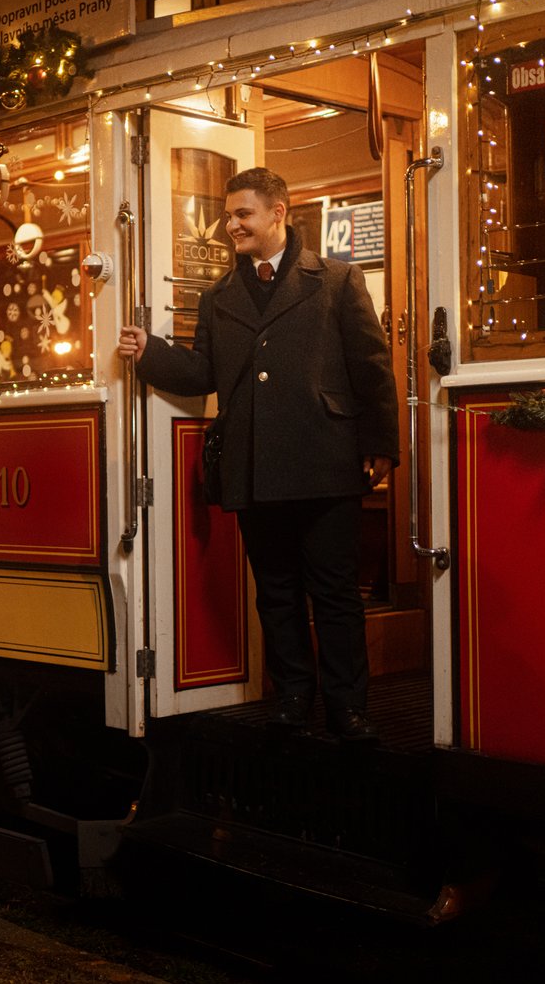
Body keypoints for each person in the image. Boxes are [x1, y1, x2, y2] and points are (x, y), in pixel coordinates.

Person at [118, 167, 398, 743]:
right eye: (228, 216)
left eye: (242, 214)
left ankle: (348, 708)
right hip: (254, 464)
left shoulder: (339, 280)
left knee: (335, 594)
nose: (231, 226)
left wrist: (381, 445)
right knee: (274, 592)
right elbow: (203, 373)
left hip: (326, 462)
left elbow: (372, 369)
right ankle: (294, 697)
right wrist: (151, 352)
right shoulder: (219, 295)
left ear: (278, 212)